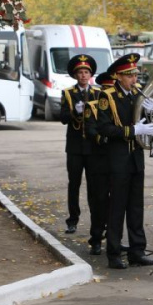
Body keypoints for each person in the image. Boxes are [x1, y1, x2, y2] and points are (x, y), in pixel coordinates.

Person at [96, 54, 153, 269]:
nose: (135, 79)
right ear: (118, 76)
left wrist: (151, 113)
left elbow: (144, 121)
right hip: (117, 160)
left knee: (136, 208)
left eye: (135, 74)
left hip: (135, 159)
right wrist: (133, 131)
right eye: (130, 75)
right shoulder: (107, 97)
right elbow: (104, 129)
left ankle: (137, 251)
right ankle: (113, 253)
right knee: (117, 208)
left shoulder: (136, 95)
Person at [60, 54, 98, 235]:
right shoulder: (68, 93)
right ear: (75, 75)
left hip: (93, 147)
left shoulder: (98, 93)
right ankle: (72, 220)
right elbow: (63, 118)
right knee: (74, 184)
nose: (83, 75)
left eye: (86, 72)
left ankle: (96, 221)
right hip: (75, 146)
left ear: (90, 74)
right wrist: (74, 112)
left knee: (94, 186)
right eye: (80, 72)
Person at [82, 71, 113, 255]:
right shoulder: (92, 106)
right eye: (107, 88)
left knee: (115, 202)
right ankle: (96, 238)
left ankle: (113, 237)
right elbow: (91, 130)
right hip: (99, 161)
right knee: (99, 201)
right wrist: (107, 138)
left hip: (116, 161)